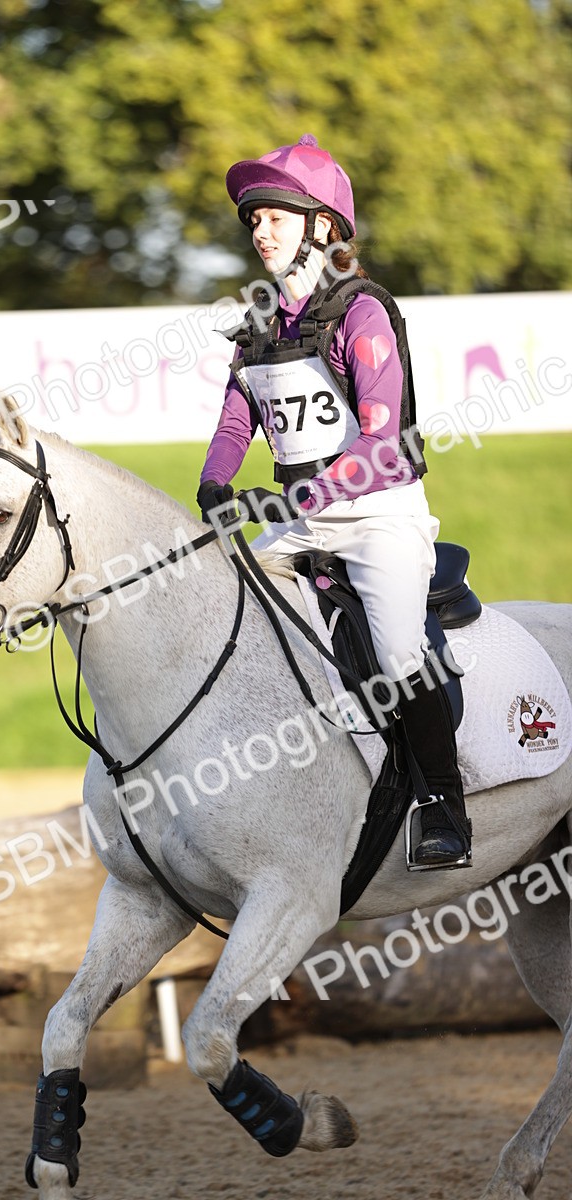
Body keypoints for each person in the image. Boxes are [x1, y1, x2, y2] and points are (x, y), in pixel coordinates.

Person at [197, 133, 471, 869]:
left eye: (276, 218)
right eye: (254, 220)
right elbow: (236, 420)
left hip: (379, 514)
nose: (260, 231)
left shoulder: (362, 315)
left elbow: (381, 443)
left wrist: (296, 496)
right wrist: (215, 482)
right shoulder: (256, 328)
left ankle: (444, 804)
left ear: (323, 227)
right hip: (303, 518)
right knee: (222, 606)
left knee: (396, 650)